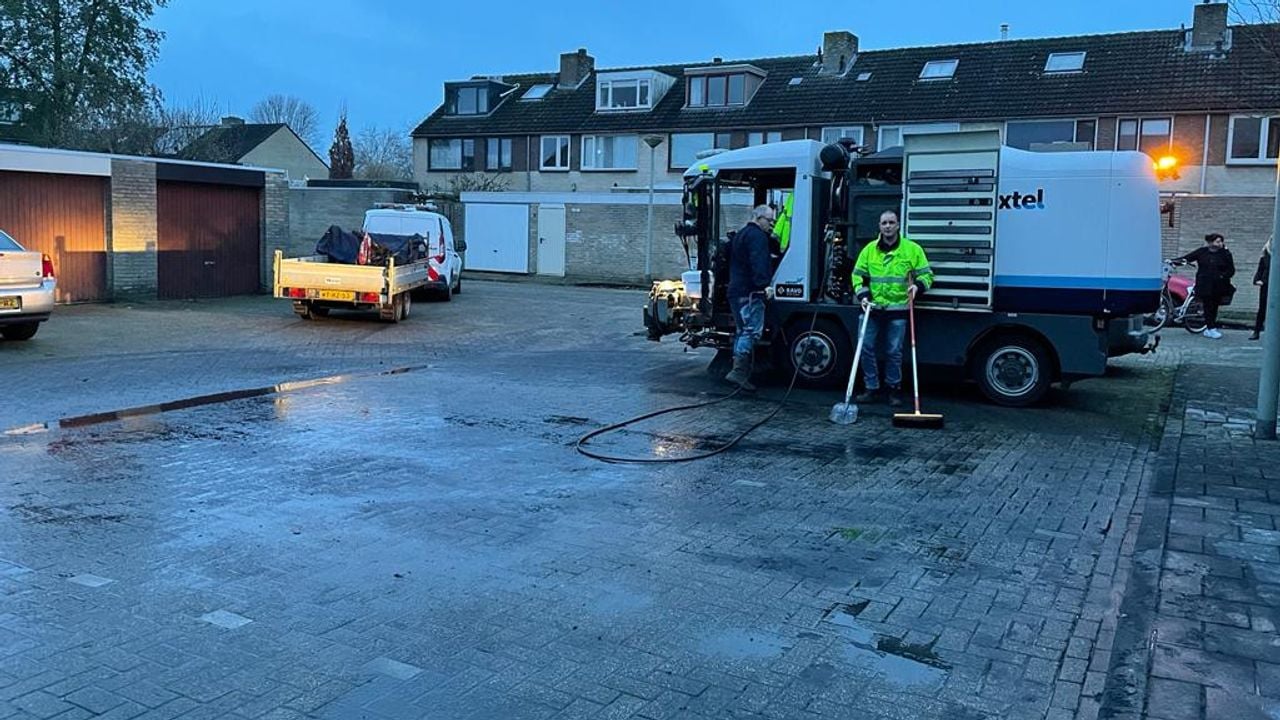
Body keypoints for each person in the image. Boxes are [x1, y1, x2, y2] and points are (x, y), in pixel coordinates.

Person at [852, 210, 934, 406]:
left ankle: (893, 389)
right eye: (884, 223)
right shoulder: (869, 250)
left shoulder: (912, 249)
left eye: (891, 222)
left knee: (894, 351)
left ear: (898, 225)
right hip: (871, 308)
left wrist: (918, 286)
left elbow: (927, 274)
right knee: (865, 348)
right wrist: (863, 295)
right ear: (879, 226)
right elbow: (857, 275)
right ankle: (871, 388)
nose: (887, 226)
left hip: (898, 310)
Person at [723, 205, 777, 390]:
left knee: (742, 330)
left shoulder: (741, 234)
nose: (771, 225)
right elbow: (758, 262)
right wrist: (765, 285)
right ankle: (738, 372)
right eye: (769, 221)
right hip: (750, 293)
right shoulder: (757, 237)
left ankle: (739, 370)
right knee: (751, 332)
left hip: (736, 292)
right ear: (759, 217)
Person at [1175, 233, 1236, 339]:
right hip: (1204, 283)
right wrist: (1174, 261)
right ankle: (1210, 328)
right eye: (1217, 241)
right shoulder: (1202, 252)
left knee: (1214, 306)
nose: (1220, 243)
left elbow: (1231, 269)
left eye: (1221, 241)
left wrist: (1222, 276)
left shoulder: (1225, 254)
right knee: (1208, 305)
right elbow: (1187, 258)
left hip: (1219, 285)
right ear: (1210, 242)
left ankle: (1211, 327)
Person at [1252, 236, 1272, 341]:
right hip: (1266, 284)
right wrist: (1257, 280)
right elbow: (1260, 269)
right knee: (1263, 308)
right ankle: (1256, 331)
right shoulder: (1266, 256)